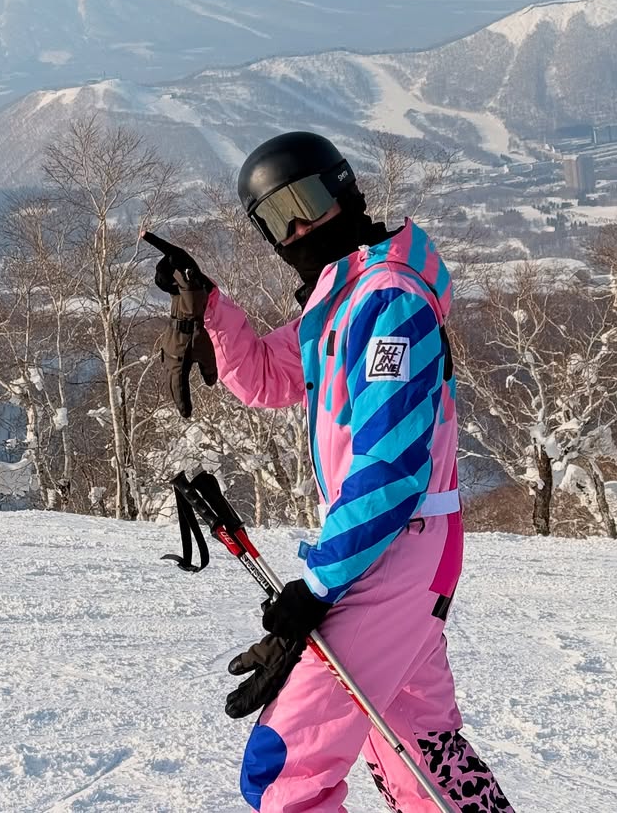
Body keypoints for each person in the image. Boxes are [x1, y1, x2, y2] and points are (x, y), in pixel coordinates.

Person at [152, 131, 513, 813]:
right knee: (419, 747)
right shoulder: (341, 297)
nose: (296, 227)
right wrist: (211, 307)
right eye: (274, 218)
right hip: (395, 550)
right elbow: (267, 377)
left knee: (284, 770)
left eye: (305, 201)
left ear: (345, 190)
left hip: (396, 551)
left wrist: (318, 585)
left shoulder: (389, 304)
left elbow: (389, 465)